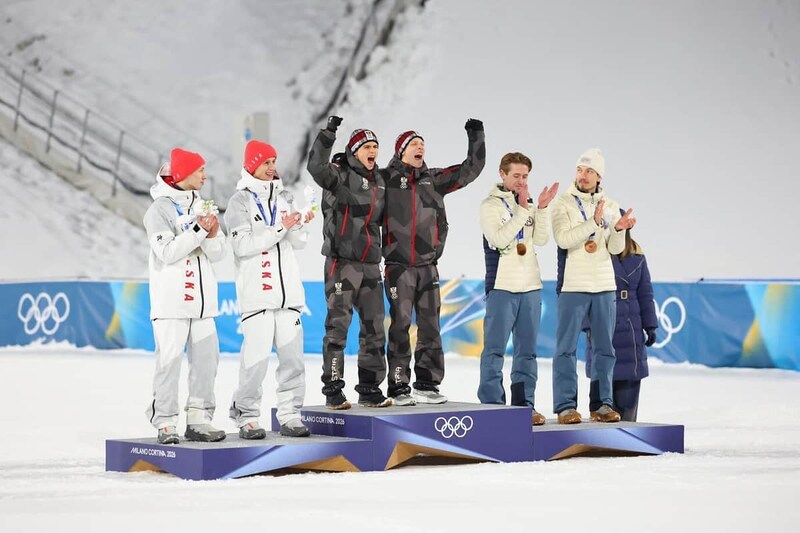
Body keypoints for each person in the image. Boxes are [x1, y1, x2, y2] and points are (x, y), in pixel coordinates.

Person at [382, 119, 486, 405]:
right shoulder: (385, 179)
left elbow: (471, 169)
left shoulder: (434, 179)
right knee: (400, 325)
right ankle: (399, 384)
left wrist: (475, 135)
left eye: (422, 144)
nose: (420, 147)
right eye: (414, 144)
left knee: (430, 326)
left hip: (428, 266)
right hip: (398, 267)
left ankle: (427, 383)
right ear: (401, 151)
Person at [225, 140, 313, 439]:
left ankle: (290, 414)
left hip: (288, 297)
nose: (272, 168)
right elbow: (242, 245)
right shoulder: (239, 202)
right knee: (255, 364)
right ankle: (247, 416)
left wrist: (299, 224)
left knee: (293, 362)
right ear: (252, 165)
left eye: (274, 161)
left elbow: (299, 242)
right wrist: (280, 228)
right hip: (258, 298)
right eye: (266, 163)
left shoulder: (285, 197)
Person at [306, 117, 391, 410]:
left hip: (370, 265)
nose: (373, 151)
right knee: (338, 329)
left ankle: (369, 388)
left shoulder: (380, 180)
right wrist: (328, 133)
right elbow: (315, 166)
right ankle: (333, 390)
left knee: (374, 328)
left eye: (376, 146)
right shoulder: (337, 174)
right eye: (367, 146)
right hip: (342, 263)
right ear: (354, 151)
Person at [143, 148, 227, 444]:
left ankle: (199, 419)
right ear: (182, 174)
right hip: (171, 305)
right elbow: (167, 252)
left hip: (204, 305)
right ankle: (165, 423)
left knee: (207, 365)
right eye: (200, 170)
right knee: (169, 364)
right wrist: (199, 231)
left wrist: (213, 234)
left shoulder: (203, 204)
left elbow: (218, 254)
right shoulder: (159, 211)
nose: (205, 176)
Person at [551, 148, 636, 424]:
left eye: (590, 171)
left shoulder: (610, 204)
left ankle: (602, 404)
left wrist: (619, 229)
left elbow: (613, 247)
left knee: (604, 349)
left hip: (603, 285)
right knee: (565, 348)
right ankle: (565, 406)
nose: (583, 175)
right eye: (580, 170)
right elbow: (564, 240)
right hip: (573, 285)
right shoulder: (563, 203)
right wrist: (593, 223)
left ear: (599, 176)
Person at [478, 152, 558, 425]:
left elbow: (542, 240)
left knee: (527, 353)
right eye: (516, 176)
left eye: (525, 176)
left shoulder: (529, 205)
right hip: (502, 287)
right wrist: (524, 209)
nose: (521, 181)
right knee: (494, 350)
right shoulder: (490, 206)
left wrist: (543, 209)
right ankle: (492, 406)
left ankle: (524, 405)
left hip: (531, 287)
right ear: (502, 174)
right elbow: (499, 238)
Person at [584, 217, 657, 421]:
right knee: (603, 384)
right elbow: (582, 291)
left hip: (631, 330)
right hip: (602, 322)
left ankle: (628, 431)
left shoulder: (638, 256)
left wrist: (651, 325)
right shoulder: (594, 255)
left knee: (629, 385)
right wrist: (587, 326)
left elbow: (645, 293)